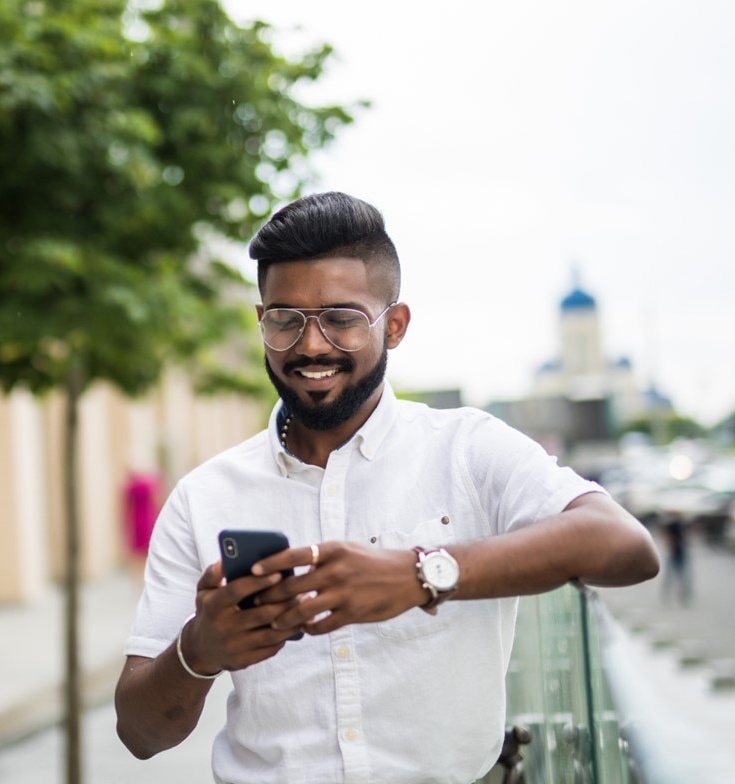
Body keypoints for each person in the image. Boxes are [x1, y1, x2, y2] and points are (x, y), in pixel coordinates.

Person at [114, 192, 660, 784]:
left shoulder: (467, 449)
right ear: (261, 321)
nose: (311, 345)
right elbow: (139, 736)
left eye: (342, 319)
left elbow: (625, 546)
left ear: (394, 326)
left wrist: (421, 574)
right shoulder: (203, 496)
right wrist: (198, 651)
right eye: (285, 320)